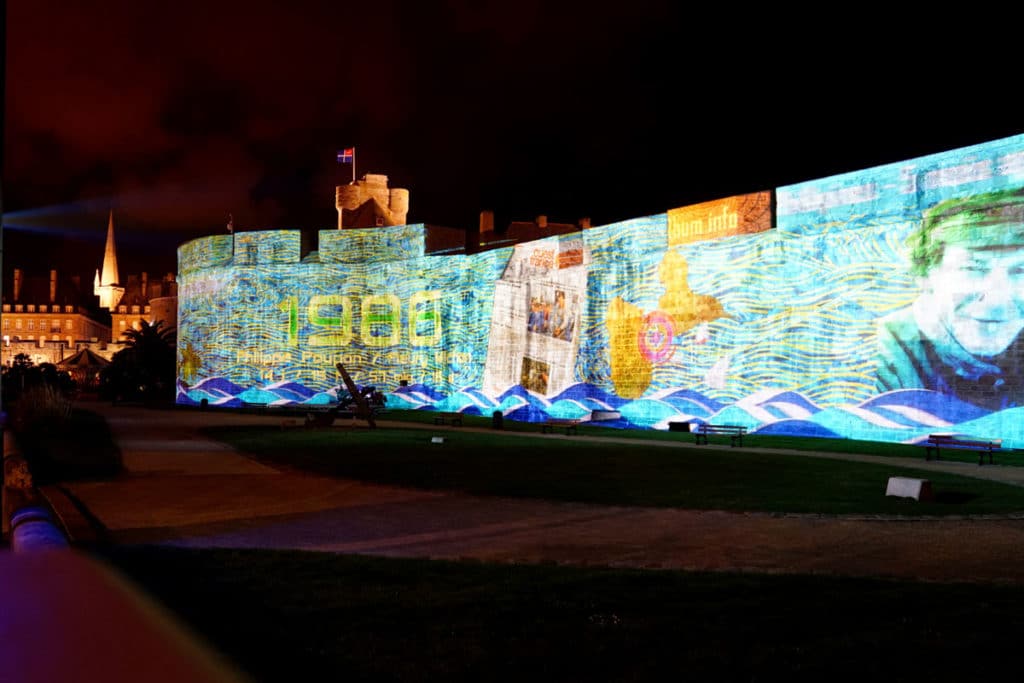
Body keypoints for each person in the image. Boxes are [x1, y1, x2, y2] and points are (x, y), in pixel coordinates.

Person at [874, 187, 1024, 410]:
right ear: (925, 275)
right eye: (972, 268)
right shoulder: (893, 343)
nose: (997, 299)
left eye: (1020, 270)